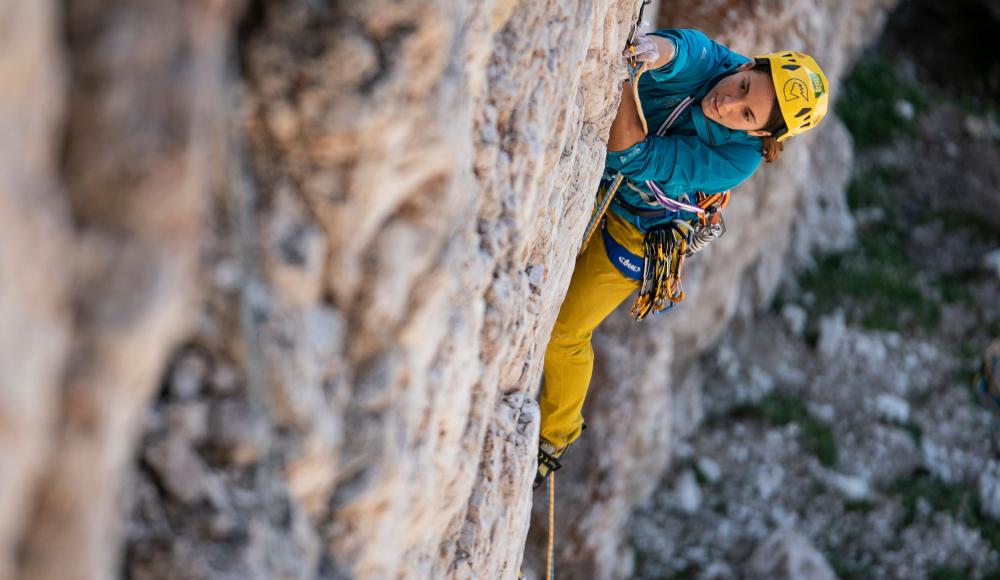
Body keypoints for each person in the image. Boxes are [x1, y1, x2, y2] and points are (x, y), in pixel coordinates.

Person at [535, 28, 830, 488]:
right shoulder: (719, 63)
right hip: (598, 187)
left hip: (640, 233)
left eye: (747, 112)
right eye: (745, 85)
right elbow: (684, 51)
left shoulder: (738, 159)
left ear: (759, 132)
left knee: (566, 333)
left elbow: (635, 156)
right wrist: (655, 53)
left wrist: (627, 81)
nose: (728, 102)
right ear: (747, 65)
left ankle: (556, 437)